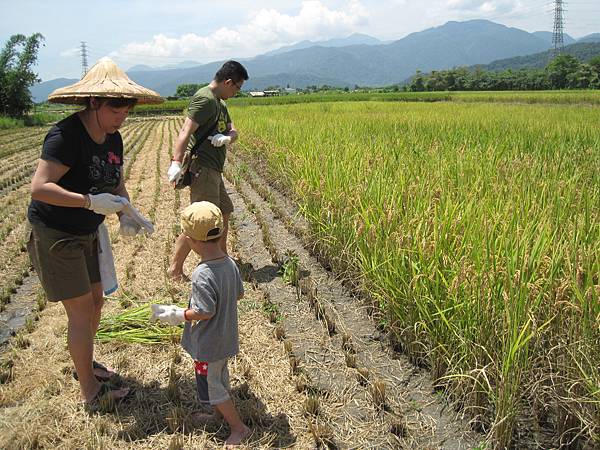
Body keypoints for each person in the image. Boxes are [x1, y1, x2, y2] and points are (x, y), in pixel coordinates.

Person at [27, 57, 163, 407]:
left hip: (88, 231)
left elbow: (116, 182)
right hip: (56, 232)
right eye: (116, 108)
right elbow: (40, 188)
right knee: (81, 310)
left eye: (127, 108)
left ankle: (84, 363)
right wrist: (88, 201)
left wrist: (127, 211)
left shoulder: (113, 138)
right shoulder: (65, 136)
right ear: (94, 102)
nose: (122, 116)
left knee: (97, 299)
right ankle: (90, 391)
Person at [151, 201, 250, 447]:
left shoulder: (202, 274)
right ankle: (217, 414)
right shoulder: (230, 264)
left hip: (210, 343)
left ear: (192, 241)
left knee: (214, 386)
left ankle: (239, 428)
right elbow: (239, 295)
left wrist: (179, 314)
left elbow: (204, 312)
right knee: (220, 377)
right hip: (226, 337)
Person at [167, 60, 249, 280]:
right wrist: (176, 162)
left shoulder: (220, 103)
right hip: (203, 169)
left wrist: (227, 139)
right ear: (228, 82)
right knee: (200, 221)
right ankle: (175, 269)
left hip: (215, 170)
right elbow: (185, 131)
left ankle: (221, 258)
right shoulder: (205, 99)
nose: (236, 92)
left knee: (224, 211)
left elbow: (233, 130)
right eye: (237, 87)